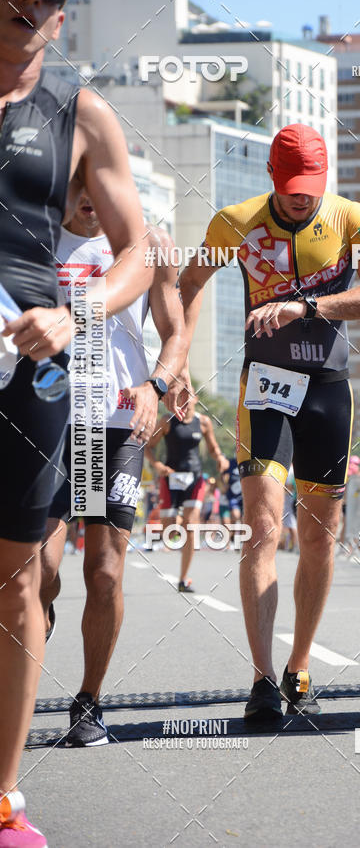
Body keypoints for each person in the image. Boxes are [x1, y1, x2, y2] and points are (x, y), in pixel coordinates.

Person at [0, 0, 152, 842]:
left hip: (33, 369)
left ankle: (3, 792)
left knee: (20, 581)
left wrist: (76, 311)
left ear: (64, 13)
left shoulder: (82, 113)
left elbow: (138, 249)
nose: (31, 1)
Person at [178, 123, 360, 720]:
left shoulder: (354, 218)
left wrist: (307, 306)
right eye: (293, 185)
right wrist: (176, 362)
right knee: (263, 527)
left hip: (329, 387)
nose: (304, 196)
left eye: (313, 186)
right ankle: (262, 679)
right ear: (273, 178)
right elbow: (190, 280)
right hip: (266, 386)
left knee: (320, 534)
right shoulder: (236, 221)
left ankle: (299, 664)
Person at [39, 195, 186, 747]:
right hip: (50, 422)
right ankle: (41, 614)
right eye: (82, 185)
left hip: (118, 426)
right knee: (39, 575)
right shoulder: (35, 235)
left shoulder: (148, 246)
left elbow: (173, 334)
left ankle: (88, 701)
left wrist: (158, 385)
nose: (91, 199)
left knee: (104, 573)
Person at [145, 390, 228, 590]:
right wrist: (158, 466)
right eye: (181, 397)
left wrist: (220, 459)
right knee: (169, 530)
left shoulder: (204, 422)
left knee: (191, 525)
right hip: (170, 477)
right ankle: (179, 519)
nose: (185, 401)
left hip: (195, 478)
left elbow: (212, 448)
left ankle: (183, 578)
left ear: (196, 399)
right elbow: (149, 447)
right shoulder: (167, 420)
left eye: (188, 397)